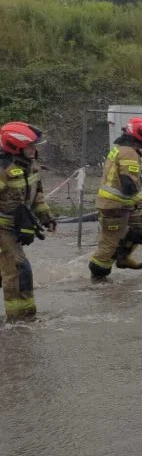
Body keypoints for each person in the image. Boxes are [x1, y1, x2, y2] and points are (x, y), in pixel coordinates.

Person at [89, 116, 142, 281]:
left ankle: (122, 258)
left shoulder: (121, 149)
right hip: (114, 205)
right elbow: (130, 186)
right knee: (109, 243)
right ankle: (98, 277)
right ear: (139, 137)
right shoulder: (129, 154)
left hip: (120, 203)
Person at [0, 122, 57, 322]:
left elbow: (37, 195)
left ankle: (27, 318)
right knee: (18, 269)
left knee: (12, 269)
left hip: (12, 227)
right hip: (3, 228)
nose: (34, 149)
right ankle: (17, 322)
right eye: (30, 146)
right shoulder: (3, 169)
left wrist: (46, 217)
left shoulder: (30, 165)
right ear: (16, 146)